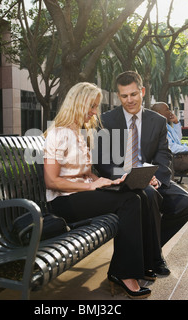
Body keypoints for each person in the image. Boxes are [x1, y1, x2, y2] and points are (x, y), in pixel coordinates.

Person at [43, 82, 157, 299]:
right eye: (92, 106)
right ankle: (124, 273)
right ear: (78, 104)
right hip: (63, 202)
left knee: (137, 194)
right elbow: (52, 181)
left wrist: (105, 181)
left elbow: (86, 174)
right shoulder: (58, 134)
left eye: (96, 106)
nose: (95, 112)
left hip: (82, 195)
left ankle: (134, 266)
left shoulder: (80, 133)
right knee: (130, 201)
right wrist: (90, 185)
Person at [95, 71, 188, 255]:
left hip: (150, 177)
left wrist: (156, 178)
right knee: (148, 196)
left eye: (133, 94)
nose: (129, 100)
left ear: (142, 91)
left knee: (186, 203)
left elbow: (163, 154)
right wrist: (127, 176)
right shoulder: (106, 121)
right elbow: (103, 162)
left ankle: (151, 250)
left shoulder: (157, 121)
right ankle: (150, 258)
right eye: (124, 96)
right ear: (118, 96)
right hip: (120, 180)